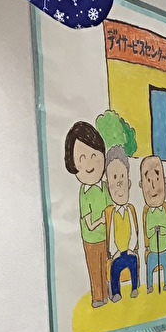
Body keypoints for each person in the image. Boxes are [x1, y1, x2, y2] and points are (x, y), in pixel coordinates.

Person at [64, 121, 110, 308]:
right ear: (73, 163)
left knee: (105, 266)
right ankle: (98, 297)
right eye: (82, 158)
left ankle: (106, 294)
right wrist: (102, 220)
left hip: (106, 237)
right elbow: (89, 223)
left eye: (93, 156)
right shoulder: (84, 193)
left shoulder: (104, 187)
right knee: (95, 268)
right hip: (91, 239)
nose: (89, 164)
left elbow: (110, 209)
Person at [104, 146, 139, 301]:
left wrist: (132, 248)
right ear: (108, 186)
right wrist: (114, 252)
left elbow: (134, 232)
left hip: (129, 251)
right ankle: (116, 292)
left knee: (133, 263)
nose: (119, 183)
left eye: (122, 177)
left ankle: (134, 288)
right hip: (118, 253)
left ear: (129, 182)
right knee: (114, 269)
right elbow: (111, 235)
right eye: (114, 178)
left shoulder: (130, 210)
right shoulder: (112, 213)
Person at [140, 155, 166, 293]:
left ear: (164, 181)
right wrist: (154, 230)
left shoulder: (164, 209)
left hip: (164, 249)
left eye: (157, 179)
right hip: (152, 250)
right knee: (150, 264)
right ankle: (149, 285)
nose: (153, 186)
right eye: (148, 181)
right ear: (141, 185)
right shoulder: (148, 212)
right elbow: (147, 232)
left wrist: (161, 229)